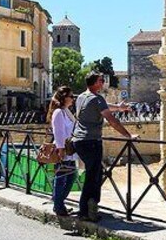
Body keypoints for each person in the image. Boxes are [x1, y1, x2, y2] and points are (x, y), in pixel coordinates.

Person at [72, 71, 136, 221]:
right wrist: (127, 135)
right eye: (101, 80)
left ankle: (88, 208)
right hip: (91, 141)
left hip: (78, 140)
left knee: (95, 173)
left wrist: (119, 108)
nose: (103, 83)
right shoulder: (97, 98)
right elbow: (111, 120)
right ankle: (87, 210)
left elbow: (103, 106)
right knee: (93, 176)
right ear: (95, 83)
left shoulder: (81, 97)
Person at [48, 86, 78, 216]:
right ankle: (58, 206)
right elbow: (58, 132)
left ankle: (58, 203)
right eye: (71, 96)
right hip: (63, 150)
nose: (73, 99)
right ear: (64, 97)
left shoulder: (66, 111)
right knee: (62, 177)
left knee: (70, 176)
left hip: (70, 150)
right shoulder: (58, 113)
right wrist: (60, 149)